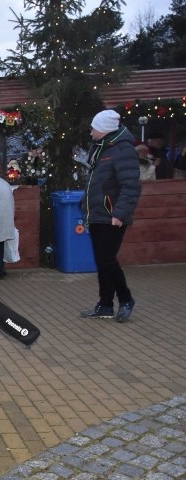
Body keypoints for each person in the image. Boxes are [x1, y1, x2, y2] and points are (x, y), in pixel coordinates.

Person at [79, 109, 141, 322]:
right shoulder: (101, 148)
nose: (91, 131)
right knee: (101, 261)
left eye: (94, 127)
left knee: (107, 259)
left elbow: (131, 185)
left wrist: (120, 213)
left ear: (104, 129)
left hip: (112, 215)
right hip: (98, 213)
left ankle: (126, 299)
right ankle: (105, 304)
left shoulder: (122, 150)